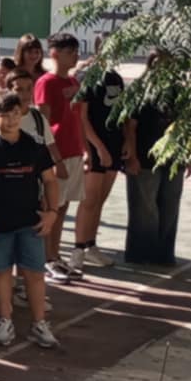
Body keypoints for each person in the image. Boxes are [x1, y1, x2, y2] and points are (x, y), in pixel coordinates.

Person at [0, 91, 63, 350]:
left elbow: (50, 180)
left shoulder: (34, 145)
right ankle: (4, 319)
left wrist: (52, 212)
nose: (11, 120)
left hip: (30, 223)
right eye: (4, 115)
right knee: (1, 272)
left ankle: (39, 323)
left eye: (15, 114)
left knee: (34, 273)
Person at [34, 32, 88, 283]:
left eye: (76, 52)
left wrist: (86, 150)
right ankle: (46, 260)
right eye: (69, 52)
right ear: (54, 53)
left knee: (62, 208)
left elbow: (80, 118)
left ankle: (55, 255)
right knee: (51, 208)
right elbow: (43, 124)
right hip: (58, 154)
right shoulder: (46, 83)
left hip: (75, 151)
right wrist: (54, 159)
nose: (75, 56)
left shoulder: (74, 82)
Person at [122, 53, 185, 266]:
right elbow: (130, 125)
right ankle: (141, 253)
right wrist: (131, 156)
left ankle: (164, 254)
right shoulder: (140, 90)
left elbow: (184, 126)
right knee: (144, 208)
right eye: (158, 64)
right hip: (145, 157)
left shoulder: (178, 92)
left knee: (170, 208)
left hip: (174, 159)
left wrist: (187, 156)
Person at [73, 63, 125, 268]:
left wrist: (126, 142)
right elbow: (82, 117)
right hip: (95, 145)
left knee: (99, 200)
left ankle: (90, 245)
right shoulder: (88, 76)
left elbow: (122, 113)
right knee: (89, 199)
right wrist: (98, 148)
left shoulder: (116, 78)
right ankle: (78, 249)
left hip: (114, 144)